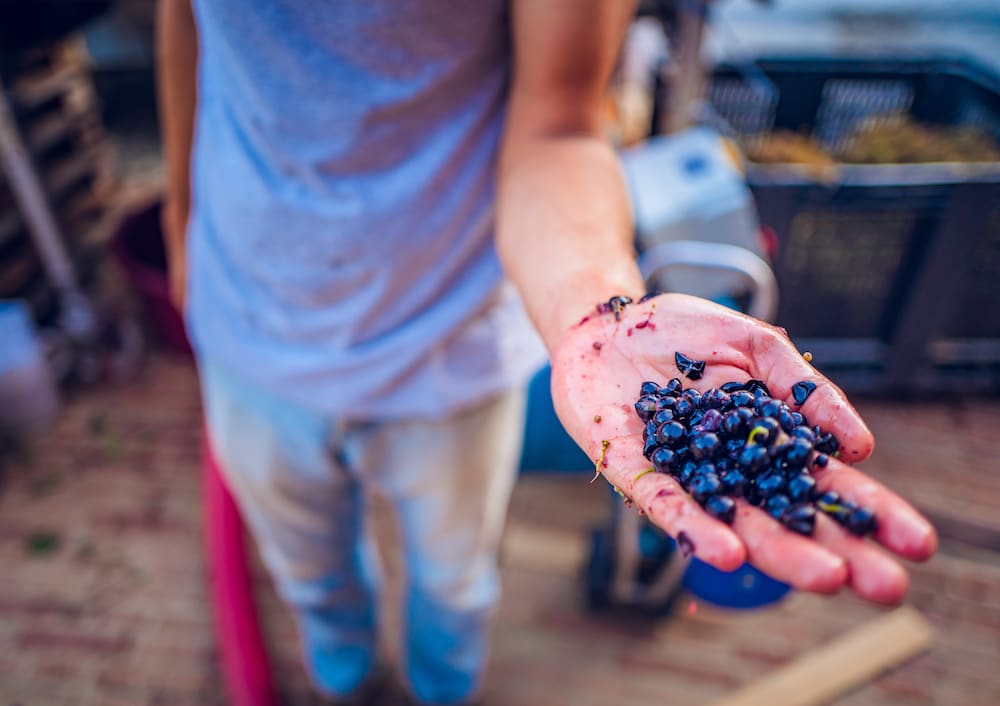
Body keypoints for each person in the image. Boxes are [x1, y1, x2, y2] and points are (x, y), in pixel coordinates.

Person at [157, 1, 937, 704]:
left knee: (457, 587)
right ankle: (348, 685)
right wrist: (182, 215)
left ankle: (441, 693)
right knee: (311, 579)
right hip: (247, 331)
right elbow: (187, 21)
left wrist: (604, 313)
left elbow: (559, 124)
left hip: (451, 356)